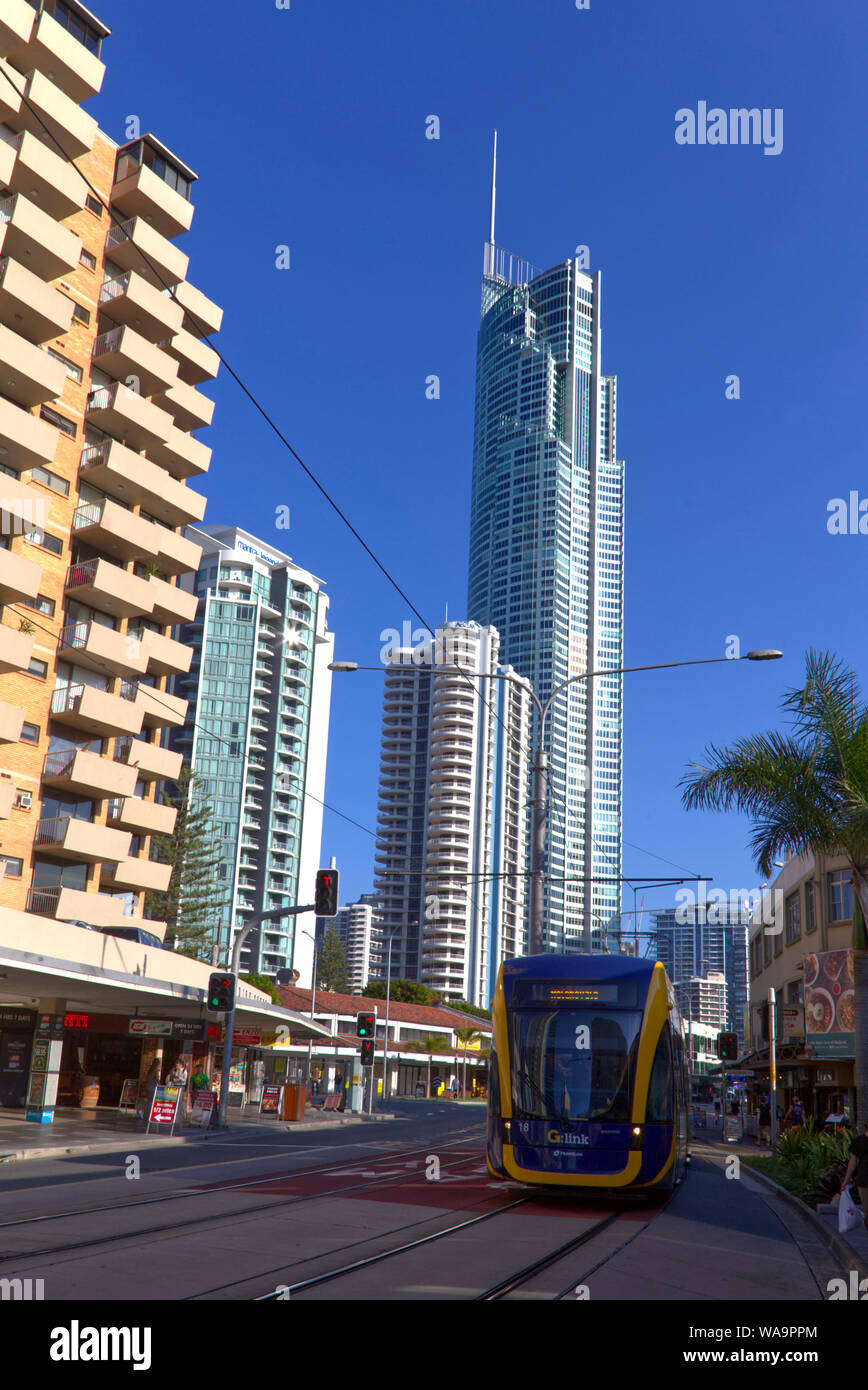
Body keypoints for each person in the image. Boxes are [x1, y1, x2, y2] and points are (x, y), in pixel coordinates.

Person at [840, 1120, 868, 1233]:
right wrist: (846, 1180)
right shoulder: (858, 1141)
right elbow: (853, 1162)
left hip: (862, 1179)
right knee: (867, 1210)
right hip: (864, 1179)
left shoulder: (858, 1141)